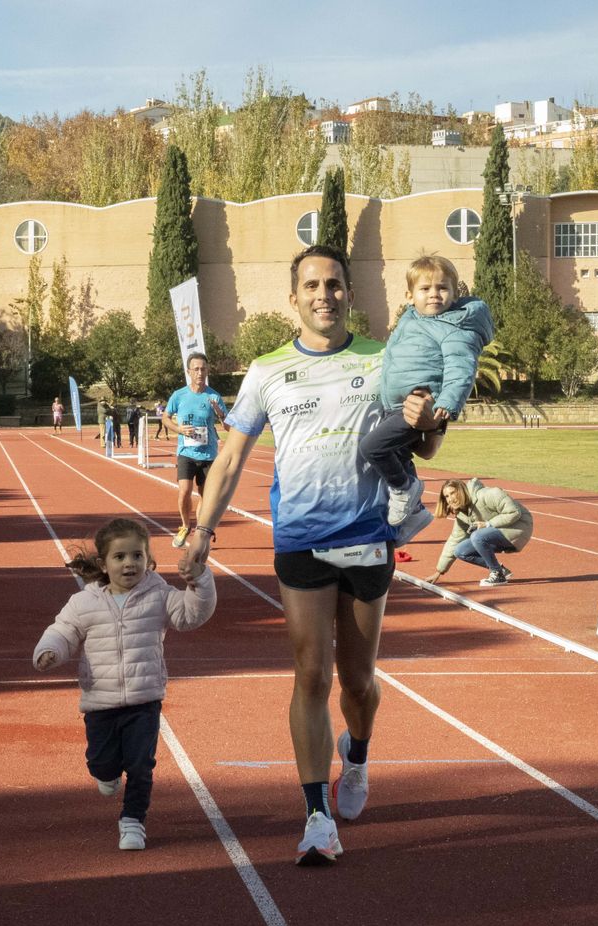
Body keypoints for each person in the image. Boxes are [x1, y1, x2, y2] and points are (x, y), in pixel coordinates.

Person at [180, 245, 440, 866]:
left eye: (334, 284)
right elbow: (230, 458)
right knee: (311, 676)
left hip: (369, 536)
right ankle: (317, 816)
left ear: (350, 293)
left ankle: (358, 754)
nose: (324, 295)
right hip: (301, 539)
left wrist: (429, 419)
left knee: (358, 682)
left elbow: (426, 446)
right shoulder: (268, 370)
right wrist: (202, 531)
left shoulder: (384, 358)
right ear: (293, 298)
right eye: (312, 286)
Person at [35, 518, 217, 850]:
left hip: (144, 700)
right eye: (119, 557)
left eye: (137, 555)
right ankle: (106, 774)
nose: (129, 563)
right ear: (104, 564)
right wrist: (50, 650)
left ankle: (133, 821)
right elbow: (63, 630)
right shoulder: (85, 602)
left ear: (148, 560)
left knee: (140, 765)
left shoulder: (159, 595)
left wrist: (200, 580)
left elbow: (192, 614)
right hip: (100, 702)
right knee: (101, 763)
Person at [359, 254, 492, 540]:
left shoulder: (455, 328)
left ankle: (404, 488)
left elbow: (461, 369)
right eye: (425, 288)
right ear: (410, 296)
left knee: (371, 447)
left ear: (454, 294)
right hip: (393, 405)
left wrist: (447, 403)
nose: (434, 294)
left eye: (442, 288)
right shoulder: (410, 318)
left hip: (416, 407)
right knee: (398, 454)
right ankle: (416, 511)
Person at [163, 352, 228, 549]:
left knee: (206, 496)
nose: (200, 373)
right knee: (184, 492)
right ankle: (185, 526)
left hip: (208, 454)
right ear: (189, 372)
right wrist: (178, 429)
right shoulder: (179, 395)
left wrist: (219, 413)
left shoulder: (214, 396)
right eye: (196, 369)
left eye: (203, 369)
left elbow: (228, 426)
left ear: (207, 371)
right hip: (186, 452)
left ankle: (200, 531)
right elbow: (165, 418)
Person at [427, 477, 533, 587]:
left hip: (519, 527)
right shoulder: (462, 514)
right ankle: (500, 570)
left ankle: (497, 574)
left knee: (477, 536)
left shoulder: (486, 494)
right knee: (460, 550)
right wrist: (439, 572)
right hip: (497, 532)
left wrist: (488, 524)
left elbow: (514, 512)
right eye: (446, 496)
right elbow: (454, 541)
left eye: (453, 493)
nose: (450, 499)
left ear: (461, 490)